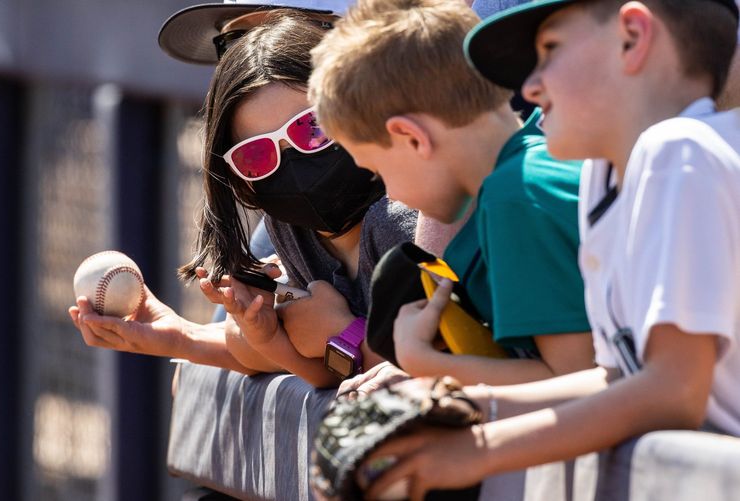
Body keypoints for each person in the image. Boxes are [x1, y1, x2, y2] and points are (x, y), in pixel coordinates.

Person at [349, 1, 739, 498]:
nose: (530, 88)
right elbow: (613, 379)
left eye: (550, 50)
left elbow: (674, 393)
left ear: (633, 38)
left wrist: (480, 447)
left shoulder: (679, 150)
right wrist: (454, 404)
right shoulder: (608, 175)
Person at [69, 9, 417, 388]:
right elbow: (322, 371)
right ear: (238, 180)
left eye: (312, 128)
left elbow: (450, 368)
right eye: (256, 155)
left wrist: (343, 336)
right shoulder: (290, 229)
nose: (294, 164)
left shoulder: (404, 222)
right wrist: (250, 336)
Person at [308, 0, 595, 386]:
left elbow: (576, 383)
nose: (391, 195)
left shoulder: (517, 198)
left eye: (379, 171)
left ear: (411, 137)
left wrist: (430, 368)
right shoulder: (517, 182)